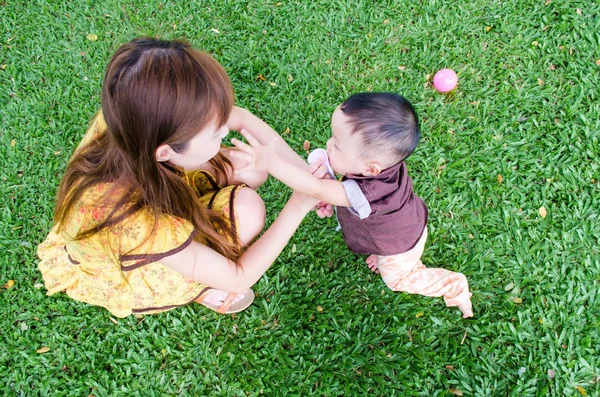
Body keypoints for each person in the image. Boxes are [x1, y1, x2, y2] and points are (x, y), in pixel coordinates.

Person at [37, 37, 329, 317]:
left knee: (250, 167)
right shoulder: (131, 222)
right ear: (165, 152)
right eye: (216, 134)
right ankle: (199, 289)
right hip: (132, 262)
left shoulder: (136, 112)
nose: (226, 132)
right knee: (249, 210)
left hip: (156, 184)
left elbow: (240, 118)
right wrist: (299, 204)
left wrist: (306, 178)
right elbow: (238, 278)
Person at [231, 92, 473, 318]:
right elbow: (330, 191)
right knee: (380, 241)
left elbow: (314, 189)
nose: (327, 144)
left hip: (400, 246)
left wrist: (271, 163)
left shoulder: (365, 192)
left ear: (370, 168)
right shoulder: (386, 166)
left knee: (398, 280)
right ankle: (380, 254)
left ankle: (454, 286)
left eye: (336, 145)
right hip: (409, 221)